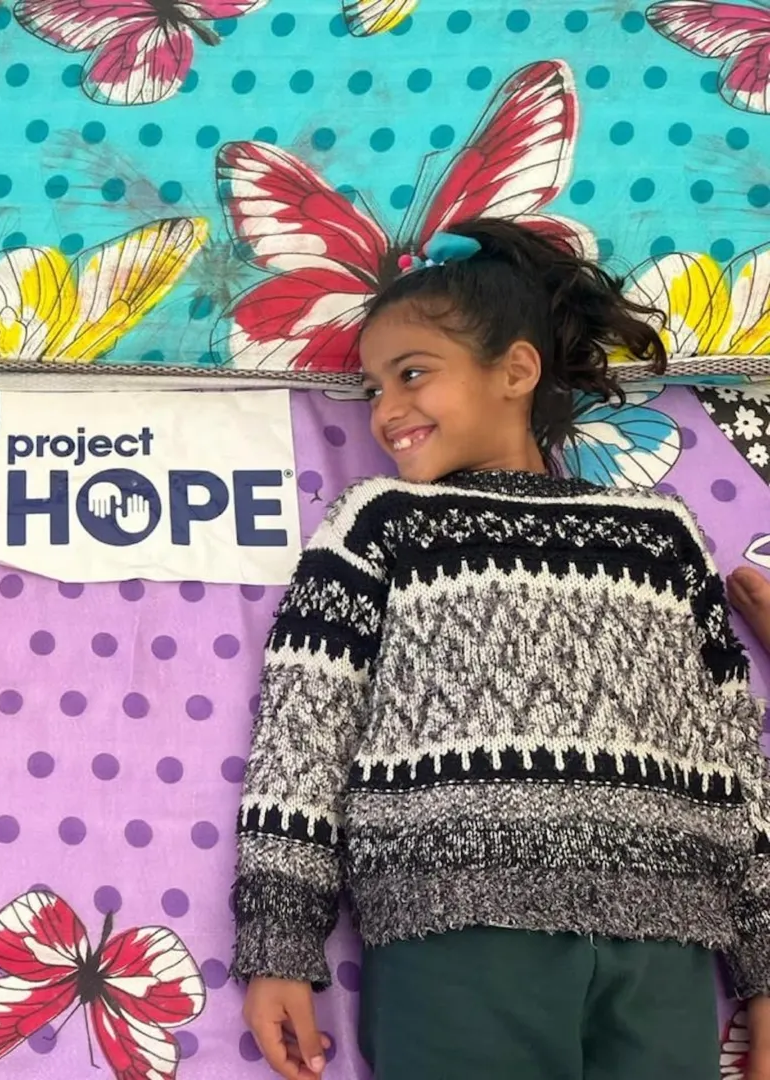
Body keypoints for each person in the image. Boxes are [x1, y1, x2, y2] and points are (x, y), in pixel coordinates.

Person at [234, 219, 770, 1080]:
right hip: (452, 939)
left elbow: (734, 755)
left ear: (516, 371)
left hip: (666, 945)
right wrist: (277, 945)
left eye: (412, 374)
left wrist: (763, 970)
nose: (386, 411)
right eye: (372, 388)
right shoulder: (378, 523)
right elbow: (302, 735)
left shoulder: (664, 535)